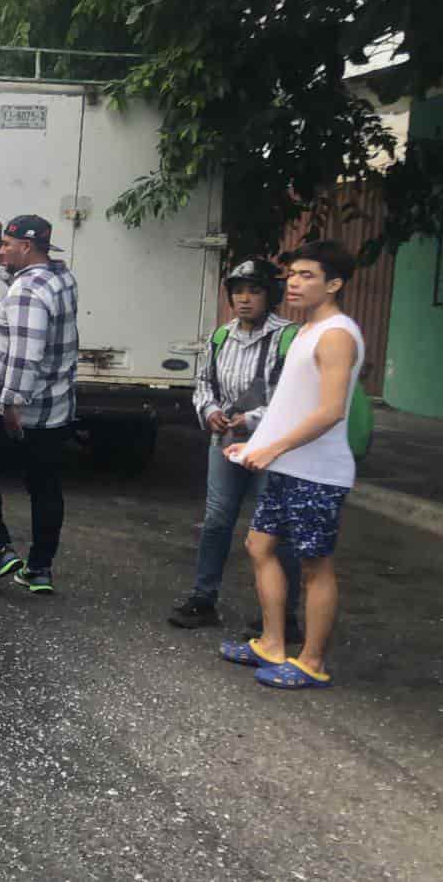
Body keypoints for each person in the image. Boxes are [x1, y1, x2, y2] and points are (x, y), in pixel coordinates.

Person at [221, 240, 364, 690]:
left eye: (307, 276)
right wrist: (251, 445)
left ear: (334, 284)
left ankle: (312, 662)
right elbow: (289, 404)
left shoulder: (337, 334)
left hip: (318, 474)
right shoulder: (305, 331)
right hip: (288, 467)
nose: (294, 283)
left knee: (314, 566)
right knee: (259, 548)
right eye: (292, 275)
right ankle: (271, 643)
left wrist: (271, 449)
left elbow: (330, 411)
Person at [169, 260, 304, 634]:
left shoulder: (290, 337)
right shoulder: (221, 337)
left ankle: (283, 616)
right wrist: (209, 410)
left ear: (270, 296)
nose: (245, 299)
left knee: (274, 529)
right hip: (225, 442)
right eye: (238, 291)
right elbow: (204, 383)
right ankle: (203, 599)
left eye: (254, 291)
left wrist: (252, 419)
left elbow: (292, 394)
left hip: (273, 447)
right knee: (216, 521)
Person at [0, 214, 79, 596]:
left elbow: (25, 353)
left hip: (7, 401)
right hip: (54, 406)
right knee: (45, 485)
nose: (2, 251)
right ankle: (40, 568)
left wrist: (11, 405)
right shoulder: (60, 279)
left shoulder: (27, 292)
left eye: (8, 246)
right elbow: (14, 277)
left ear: (26, 248)